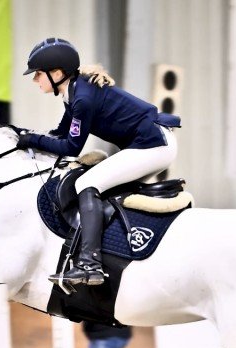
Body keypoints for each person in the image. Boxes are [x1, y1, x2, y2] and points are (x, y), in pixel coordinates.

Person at [16, 37, 180, 287]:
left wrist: (33, 140)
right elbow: (60, 134)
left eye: (38, 74)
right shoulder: (72, 92)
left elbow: (72, 147)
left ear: (57, 73)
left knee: (87, 182)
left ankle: (89, 264)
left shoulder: (82, 99)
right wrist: (29, 137)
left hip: (153, 146)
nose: (34, 79)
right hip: (149, 144)